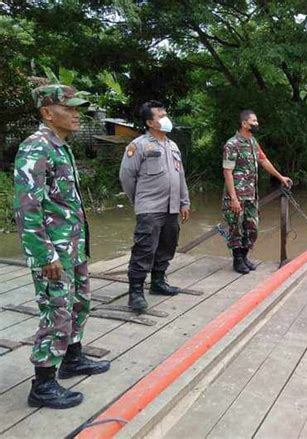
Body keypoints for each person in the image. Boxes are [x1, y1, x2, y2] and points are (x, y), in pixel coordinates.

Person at [14, 84, 110, 409]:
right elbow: (27, 208)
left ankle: (73, 358)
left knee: (79, 303)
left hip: (73, 247)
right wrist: (44, 255)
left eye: (76, 108)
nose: (75, 113)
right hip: (53, 252)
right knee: (56, 311)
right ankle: (42, 385)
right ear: (47, 112)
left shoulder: (60, 146)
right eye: (68, 108)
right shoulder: (36, 147)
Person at [120, 101, 190, 312]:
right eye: (160, 116)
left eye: (165, 114)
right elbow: (126, 177)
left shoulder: (173, 146)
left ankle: (158, 282)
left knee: (168, 245)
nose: (166, 118)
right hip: (150, 207)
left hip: (172, 207)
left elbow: (180, 177)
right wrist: (140, 200)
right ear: (150, 122)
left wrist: (184, 202)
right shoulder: (138, 145)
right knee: (144, 249)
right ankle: (136, 292)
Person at [222, 110, 291, 274]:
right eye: (254, 121)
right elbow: (227, 172)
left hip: (251, 195)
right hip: (236, 196)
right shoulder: (232, 144)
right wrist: (233, 199)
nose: (257, 124)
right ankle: (237, 260)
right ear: (244, 123)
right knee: (236, 229)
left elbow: (263, 160)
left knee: (253, 229)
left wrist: (280, 177)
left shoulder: (253, 142)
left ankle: (245, 256)